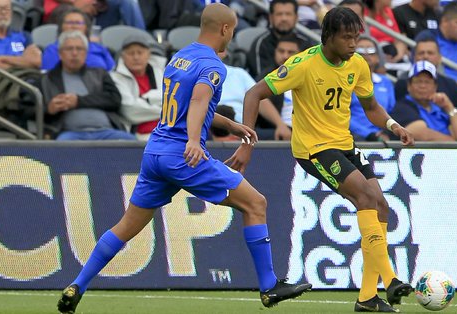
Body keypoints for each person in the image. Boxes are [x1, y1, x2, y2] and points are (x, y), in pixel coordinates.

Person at [56, 4, 311, 313]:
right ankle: (269, 285)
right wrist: (193, 140)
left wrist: (229, 124)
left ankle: (77, 284)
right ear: (226, 30)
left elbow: (183, 104)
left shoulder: (180, 56)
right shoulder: (213, 65)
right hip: (182, 155)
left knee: (126, 226)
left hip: (155, 152)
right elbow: (198, 100)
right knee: (255, 203)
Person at [237, 7, 415, 312]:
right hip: (314, 149)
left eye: (356, 38)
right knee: (365, 195)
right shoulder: (303, 64)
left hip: (344, 144)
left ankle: (368, 298)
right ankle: (391, 277)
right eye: (346, 38)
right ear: (328, 37)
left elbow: (371, 107)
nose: (353, 44)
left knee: (381, 205)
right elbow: (253, 94)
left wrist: (392, 125)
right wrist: (247, 143)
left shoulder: (357, 64)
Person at [40, 30, 135, 141]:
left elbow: (114, 99)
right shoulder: (46, 79)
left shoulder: (100, 73)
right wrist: (48, 109)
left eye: (79, 49)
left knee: (133, 144)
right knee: (62, 146)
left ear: (86, 53)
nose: (74, 53)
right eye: (69, 49)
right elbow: (27, 111)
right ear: (60, 54)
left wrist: (78, 101)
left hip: (106, 131)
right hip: (69, 134)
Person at [391, 60, 457, 141]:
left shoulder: (441, 107)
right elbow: (422, 134)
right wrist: (456, 144)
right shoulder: (402, 107)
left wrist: (449, 107)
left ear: (435, 86)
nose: (423, 86)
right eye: (418, 81)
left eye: (427, 82)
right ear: (409, 86)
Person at [110, 34, 167, 140]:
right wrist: (165, 112)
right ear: (122, 56)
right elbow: (130, 111)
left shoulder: (162, 72)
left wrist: (145, 100)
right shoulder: (115, 77)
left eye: (140, 52)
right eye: (131, 53)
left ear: (148, 54)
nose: (136, 57)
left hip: (169, 130)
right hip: (137, 135)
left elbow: (175, 101)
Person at [395, 31, 457, 110]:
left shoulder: (451, 85)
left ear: (439, 58)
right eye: (421, 53)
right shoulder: (402, 82)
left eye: (430, 53)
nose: (425, 56)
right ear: (413, 57)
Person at [247, 0, 314, 79]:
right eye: (279, 14)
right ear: (271, 18)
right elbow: (262, 81)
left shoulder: (306, 44)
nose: (284, 18)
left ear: (296, 17)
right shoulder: (261, 44)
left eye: (288, 14)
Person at [350, 36, 397, 141]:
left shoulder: (386, 82)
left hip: (384, 135)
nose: (366, 54)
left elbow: (392, 110)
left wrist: (386, 132)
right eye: (360, 50)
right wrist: (369, 134)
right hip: (354, 136)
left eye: (371, 51)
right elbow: (344, 116)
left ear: (378, 57)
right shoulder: (346, 81)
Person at [42, 6, 115, 71]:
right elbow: (49, 77)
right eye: (69, 23)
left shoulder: (100, 49)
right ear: (61, 27)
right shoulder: (52, 49)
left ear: (86, 28)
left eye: (78, 23)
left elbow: (112, 72)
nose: (74, 26)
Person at [0, 0, 41, 70]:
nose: (3, 12)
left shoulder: (24, 36)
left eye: (7, 9)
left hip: (26, 79)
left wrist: (2, 59)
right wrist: (24, 61)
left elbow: (37, 61)